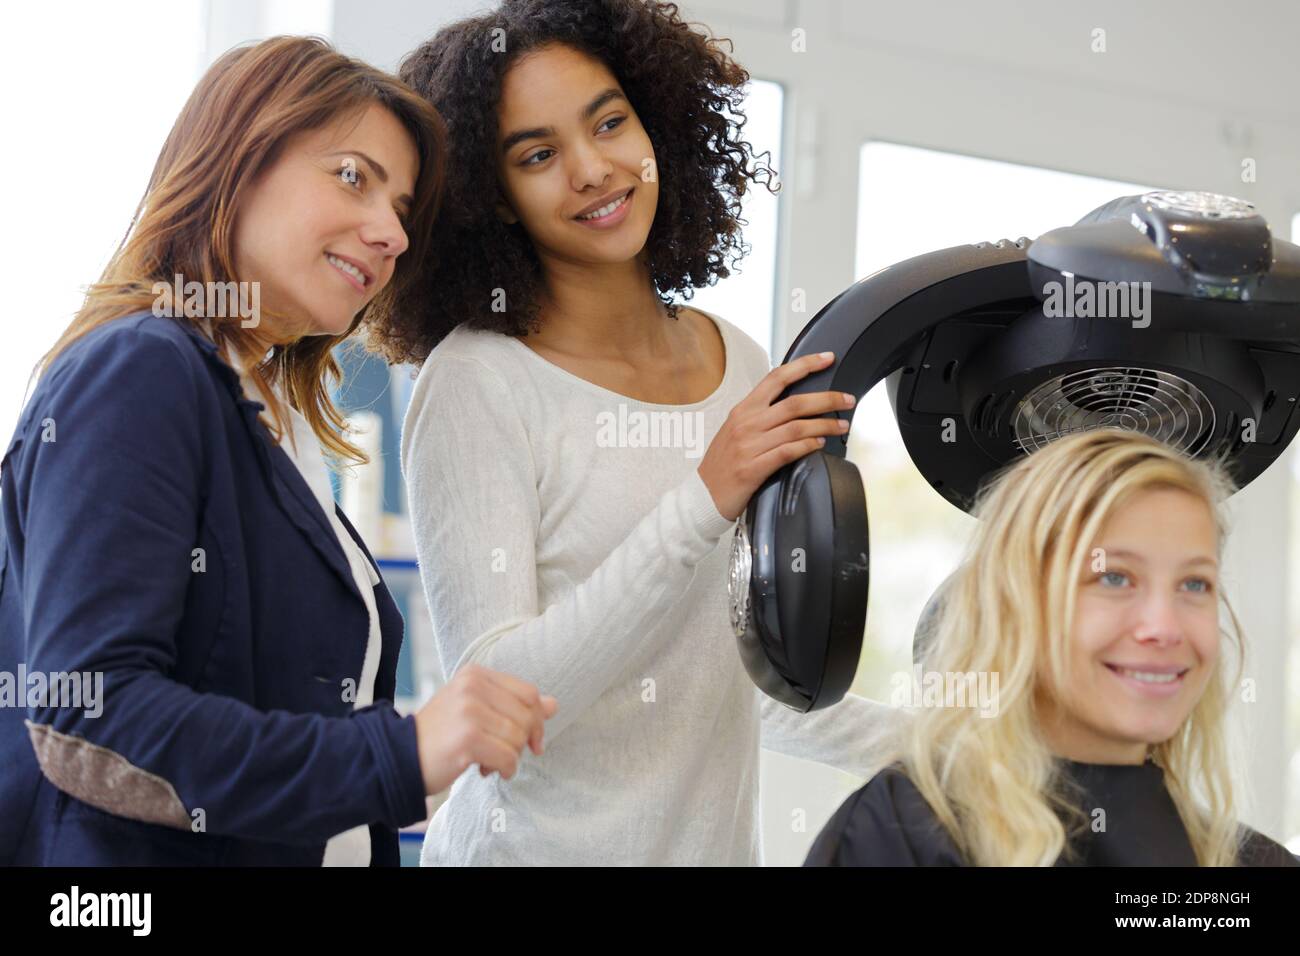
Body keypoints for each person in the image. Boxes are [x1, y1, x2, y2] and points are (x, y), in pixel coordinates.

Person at [366, 0, 907, 865]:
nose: (592, 169)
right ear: (492, 197)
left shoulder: (738, 360)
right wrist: (701, 500)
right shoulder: (477, 383)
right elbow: (505, 701)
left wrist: (949, 748)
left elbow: (729, 681)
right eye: (537, 155)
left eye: (609, 122)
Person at [0, 35, 555, 867]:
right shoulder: (141, 369)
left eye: (401, 209)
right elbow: (87, 717)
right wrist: (399, 755)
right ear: (237, 161)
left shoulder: (266, 417)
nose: (392, 234)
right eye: (352, 177)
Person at [805, 429, 1298, 866]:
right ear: (1018, 603)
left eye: (1194, 584)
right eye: (1114, 577)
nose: (1164, 627)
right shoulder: (899, 834)